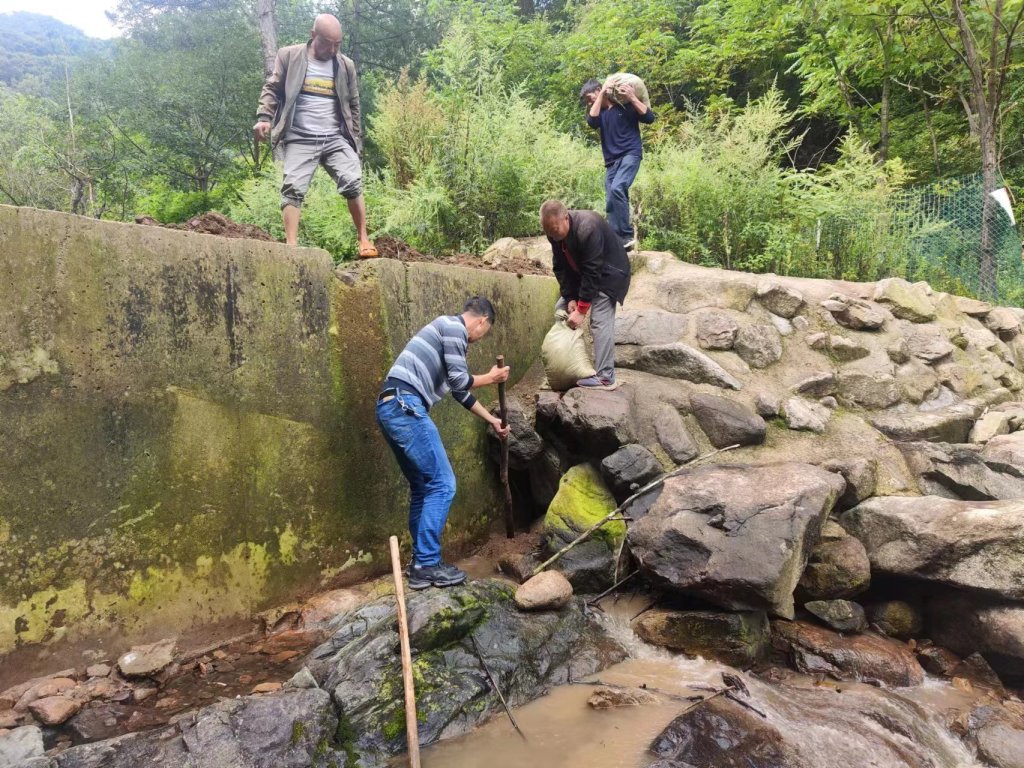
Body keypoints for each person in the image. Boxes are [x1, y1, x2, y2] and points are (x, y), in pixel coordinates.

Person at [376, 297, 510, 590]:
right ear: (482, 321)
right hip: (405, 405)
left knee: (424, 487)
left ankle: (420, 564)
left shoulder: (446, 333)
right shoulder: (453, 328)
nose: (476, 339)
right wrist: (492, 377)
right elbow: (460, 380)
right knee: (443, 484)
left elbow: (458, 392)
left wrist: (492, 420)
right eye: (482, 334)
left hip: (392, 407)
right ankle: (426, 563)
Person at [254, 14, 378, 257]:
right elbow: (272, 87)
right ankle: (291, 247)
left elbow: (353, 105)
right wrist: (263, 117)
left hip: (335, 137)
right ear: (313, 36)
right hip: (300, 136)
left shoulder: (345, 65)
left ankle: (363, 239)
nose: (332, 49)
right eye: (327, 43)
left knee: (352, 181)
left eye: (337, 44)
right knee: (292, 188)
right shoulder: (289, 56)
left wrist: (355, 142)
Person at [540, 200, 631, 390]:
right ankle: (567, 369)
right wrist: (571, 297)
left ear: (566, 218)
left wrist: (581, 310)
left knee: (599, 321)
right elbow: (560, 267)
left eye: (556, 230)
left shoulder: (587, 227)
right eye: (549, 232)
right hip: (585, 274)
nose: (554, 236)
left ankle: (606, 377)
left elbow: (593, 271)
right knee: (560, 308)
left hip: (610, 274)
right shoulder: (554, 234)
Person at [580, 77, 656, 250]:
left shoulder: (626, 105)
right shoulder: (599, 113)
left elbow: (650, 118)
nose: (589, 101)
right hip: (612, 162)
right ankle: (619, 240)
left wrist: (632, 98)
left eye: (590, 96)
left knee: (617, 188)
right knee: (611, 199)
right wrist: (599, 97)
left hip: (630, 154)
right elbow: (591, 122)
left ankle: (626, 235)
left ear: (599, 89)